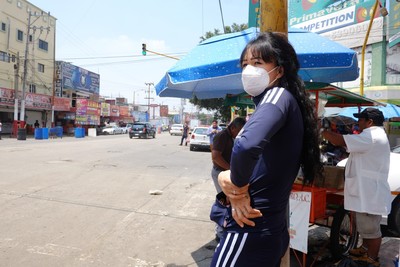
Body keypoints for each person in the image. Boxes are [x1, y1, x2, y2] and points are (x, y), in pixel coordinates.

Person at [209, 32, 323, 267]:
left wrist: (237, 189)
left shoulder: (277, 95)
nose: (249, 70)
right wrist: (226, 177)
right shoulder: (281, 101)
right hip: (267, 226)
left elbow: (246, 145)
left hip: (249, 227)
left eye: (258, 63)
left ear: (279, 70)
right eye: (245, 64)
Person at [321, 108, 391, 267]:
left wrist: (322, 131)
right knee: (366, 226)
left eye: (361, 119)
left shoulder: (371, 137)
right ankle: (365, 249)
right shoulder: (373, 136)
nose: (358, 122)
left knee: (371, 229)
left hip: (369, 192)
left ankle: (372, 259)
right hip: (367, 190)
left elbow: (340, 141)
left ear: (370, 122)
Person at [211, 117, 246, 241]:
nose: (241, 134)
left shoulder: (231, 137)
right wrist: (231, 168)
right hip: (220, 173)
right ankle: (220, 233)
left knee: (229, 201)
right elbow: (215, 156)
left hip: (226, 172)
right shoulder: (222, 136)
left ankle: (224, 229)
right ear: (232, 128)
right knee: (224, 201)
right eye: (239, 130)